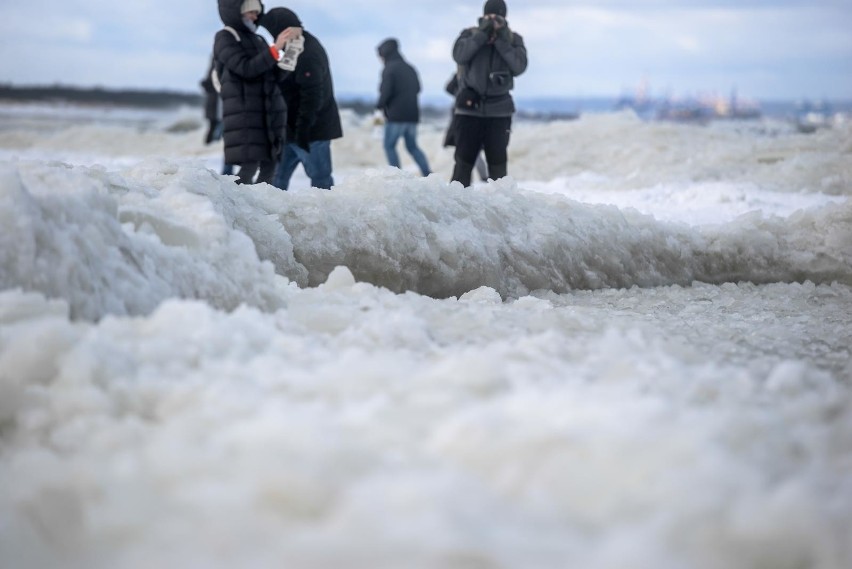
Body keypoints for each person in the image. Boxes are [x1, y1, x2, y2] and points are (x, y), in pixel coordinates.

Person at [260, 8, 343, 191]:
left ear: (283, 30)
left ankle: (327, 218)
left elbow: (313, 95)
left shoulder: (308, 52)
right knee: (275, 180)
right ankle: (271, 217)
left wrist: (303, 129)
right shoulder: (294, 47)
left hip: (311, 131)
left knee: (321, 181)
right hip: (289, 130)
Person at [213, 0, 294, 185]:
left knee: (270, 165)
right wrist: (275, 48)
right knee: (249, 166)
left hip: (268, 114)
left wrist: (290, 54)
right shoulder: (225, 37)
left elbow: (275, 75)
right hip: (245, 114)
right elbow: (245, 68)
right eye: (250, 12)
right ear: (236, 12)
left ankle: (260, 209)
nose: (255, 17)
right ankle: (235, 204)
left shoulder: (258, 39)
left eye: (257, 12)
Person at [450, 0, 527, 187]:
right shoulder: (470, 34)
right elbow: (459, 55)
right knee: (462, 166)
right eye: (488, 17)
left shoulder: (512, 39)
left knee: (498, 169)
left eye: (497, 17)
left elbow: (519, 66)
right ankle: (457, 208)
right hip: (469, 110)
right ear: (482, 16)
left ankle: (501, 210)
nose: (492, 20)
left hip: (499, 112)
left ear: (504, 18)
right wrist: (482, 35)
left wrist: (500, 40)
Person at [376, 38, 431, 177]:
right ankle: (427, 173)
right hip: (412, 115)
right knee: (412, 147)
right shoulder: (410, 67)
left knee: (389, 146)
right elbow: (419, 88)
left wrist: (379, 106)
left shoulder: (389, 68)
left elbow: (386, 92)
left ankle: (397, 176)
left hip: (396, 116)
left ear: (384, 55)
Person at [443, 73, 487, 182]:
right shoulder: (468, 72)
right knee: (469, 151)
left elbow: (449, 88)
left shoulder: (463, 72)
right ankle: (477, 179)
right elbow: (448, 88)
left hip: (467, 114)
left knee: (468, 151)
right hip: (471, 113)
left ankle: (469, 180)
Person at [200, 55, 233, 175]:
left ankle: (209, 167)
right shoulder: (220, 59)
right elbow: (208, 82)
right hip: (218, 110)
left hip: (218, 110)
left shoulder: (218, 58)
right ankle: (211, 167)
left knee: (219, 137)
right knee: (219, 136)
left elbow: (207, 83)